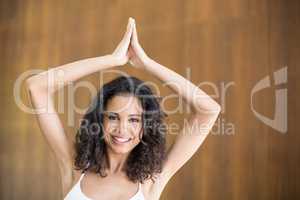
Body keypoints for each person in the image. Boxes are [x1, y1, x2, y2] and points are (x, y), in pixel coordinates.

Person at [26, 17, 221, 200]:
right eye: (113, 117)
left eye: (134, 120)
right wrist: (111, 60)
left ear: (146, 126)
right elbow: (37, 87)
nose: (122, 129)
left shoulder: (152, 180)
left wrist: (147, 64)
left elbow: (209, 110)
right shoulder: (74, 167)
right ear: (100, 119)